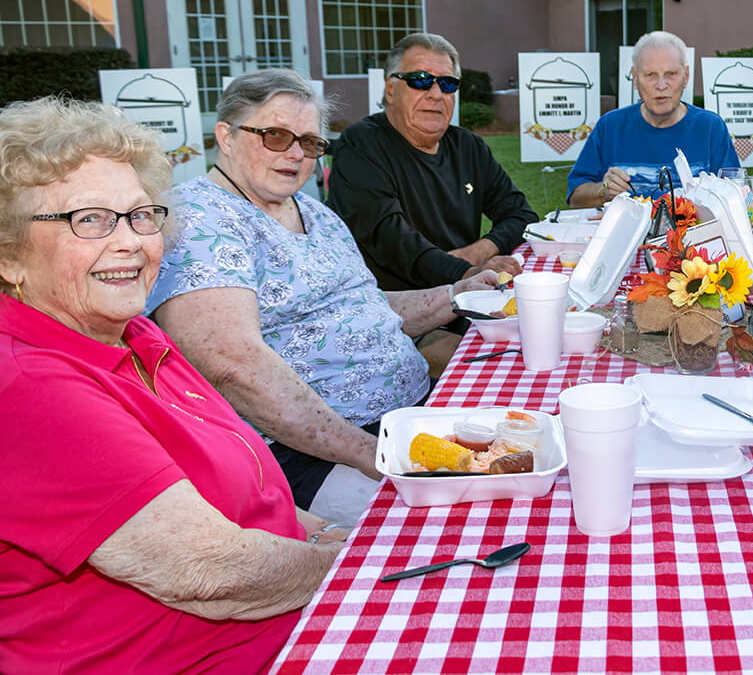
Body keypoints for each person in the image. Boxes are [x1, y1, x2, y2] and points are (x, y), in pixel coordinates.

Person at [0, 98, 344, 675]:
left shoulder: (134, 335)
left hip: (284, 623)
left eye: (140, 216)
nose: (131, 241)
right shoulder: (27, 385)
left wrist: (329, 535)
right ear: (10, 256)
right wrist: (356, 563)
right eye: (90, 219)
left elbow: (251, 492)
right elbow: (208, 571)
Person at [148, 70, 496, 525]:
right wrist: (369, 451)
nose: (296, 153)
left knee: (524, 455)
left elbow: (365, 308)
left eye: (310, 143)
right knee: (454, 526)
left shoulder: (312, 210)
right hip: (309, 451)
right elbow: (234, 367)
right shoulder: (198, 221)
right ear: (226, 137)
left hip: (405, 415)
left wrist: (453, 294)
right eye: (276, 136)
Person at [327, 32, 535, 289]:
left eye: (447, 83)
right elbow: (392, 243)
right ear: (391, 89)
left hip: (463, 290)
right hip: (397, 309)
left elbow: (522, 215)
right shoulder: (361, 145)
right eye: (420, 80)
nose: (436, 94)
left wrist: (475, 254)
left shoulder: (468, 147)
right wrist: (464, 270)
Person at [567, 30, 739, 205]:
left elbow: (735, 197)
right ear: (635, 78)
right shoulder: (610, 126)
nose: (661, 85)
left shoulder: (710, 127)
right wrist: (603, 189)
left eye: (671, 74)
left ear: (686, 77)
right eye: (650, 75)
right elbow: (575, 197)